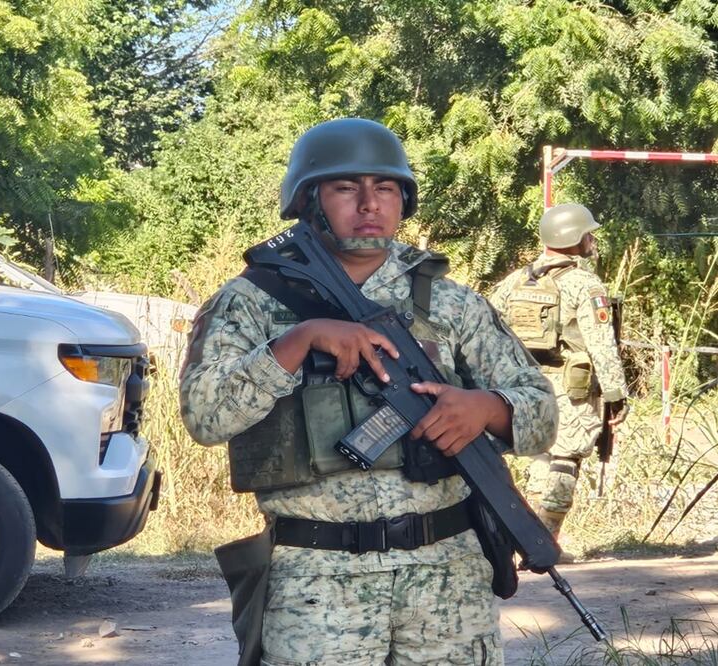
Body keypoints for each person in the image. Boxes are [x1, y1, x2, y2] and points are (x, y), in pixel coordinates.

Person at [179, 118, 557, 666]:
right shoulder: (252, 301)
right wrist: (298, 342)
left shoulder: (450, 303)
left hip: (447, 578)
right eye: (344, 188)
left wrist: (486, 409)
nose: (369, 204)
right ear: (307, 201)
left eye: (385, 188)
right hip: (316, 581)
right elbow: (204, 417)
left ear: (404, 201)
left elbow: (540, 412)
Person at [491, 203, 629, 562]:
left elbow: (489, 330)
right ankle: (545, 543)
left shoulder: (515, 281)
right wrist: (616, 394)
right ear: (574, 237)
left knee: (540, 458)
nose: (591, 240)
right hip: (573, 389)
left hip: (525, 386)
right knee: (567, 458)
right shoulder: (585, 284)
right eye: (588, 234)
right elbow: (602, 344)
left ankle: (527, 540)